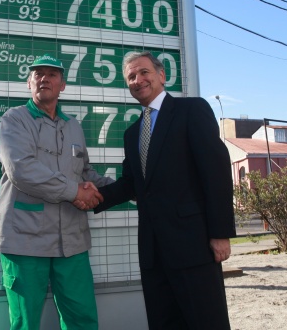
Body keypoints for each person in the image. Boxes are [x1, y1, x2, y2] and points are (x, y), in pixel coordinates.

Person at [94, 51, 236, 329]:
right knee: (164, 322)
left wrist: (220, 233)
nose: (137, 80)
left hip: (194, 246)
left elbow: (216, 172)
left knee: (207, 322)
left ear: (161, 75)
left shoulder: (192, 110)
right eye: (131, 77)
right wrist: (91, 196)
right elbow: (132, 184)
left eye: (144, 72)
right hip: (153, 251)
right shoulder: (132, 133)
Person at [0, 53, 113, 330]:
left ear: (63, 85)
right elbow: (22, 170)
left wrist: (127, 188)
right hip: (25, 239)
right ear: (29, 83)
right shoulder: (14, 120)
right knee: (25, 323)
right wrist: (75, 192)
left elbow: (85, 173)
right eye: (38, 74)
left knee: (82, 319)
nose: (44, 78)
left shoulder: (73, 126)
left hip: (72, 242)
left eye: (52, 74)